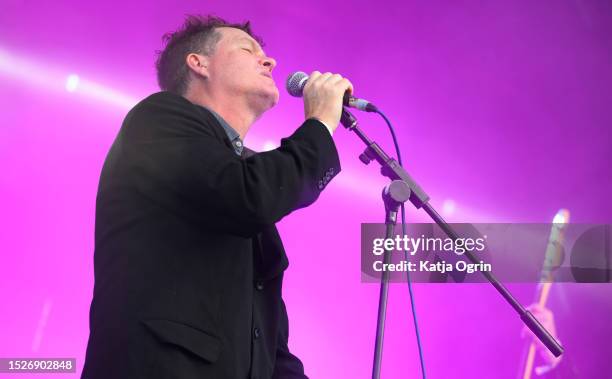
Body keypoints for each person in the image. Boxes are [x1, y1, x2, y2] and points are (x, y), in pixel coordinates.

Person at [81, 15, 353, 379]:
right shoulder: (159, 118)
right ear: (198, 63)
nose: (269, 61)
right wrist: (319, 125)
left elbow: (270, 348)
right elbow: (249, 197)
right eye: (248, 49)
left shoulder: (243, 170)